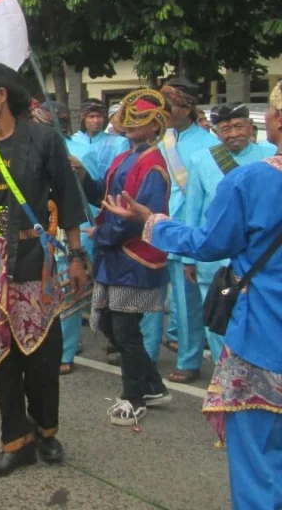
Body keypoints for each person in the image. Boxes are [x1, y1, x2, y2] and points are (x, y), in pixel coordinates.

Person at [102, 81, 282, 510]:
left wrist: (153, 221)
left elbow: (208, 243)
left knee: (258, 461)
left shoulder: (254, 179)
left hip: (264, 337)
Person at [0, 63, 88, 478]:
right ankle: (16, 441)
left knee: (43, 358)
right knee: (0, 356)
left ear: (0, 95)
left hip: (34, 262)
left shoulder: (43, 139)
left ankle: (47, 431)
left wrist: (78, 256)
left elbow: (67, 198)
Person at [79, 89, 173, 425]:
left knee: (125, 330)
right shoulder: (122, 158)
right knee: (107, 323)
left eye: (141, 120)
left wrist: (103, 233)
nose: (132, 125)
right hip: (113, 255)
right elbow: (105, 198)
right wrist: (82, 177)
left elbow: (136, 216)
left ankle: (133, 397)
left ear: (156, 125)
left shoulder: (154, 164)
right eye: (128, 119)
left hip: (135, 256)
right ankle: (154, 385)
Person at [181, 103, 274, 364]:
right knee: (217, 318)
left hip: (256, 259)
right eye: (225, 129)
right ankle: (223, 379)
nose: (232, 133)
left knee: (255, 322)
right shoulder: (201, 159)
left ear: (250, 127)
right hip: (213, 257)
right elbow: (194, 208)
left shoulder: (269, 155)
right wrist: (189, 258)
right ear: (216, 132)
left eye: (238, 126)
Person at [31, 100, 101, 376]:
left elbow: (93, 193)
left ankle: (67, 351)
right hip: (38, 228)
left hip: (70, 229)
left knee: (68, 292)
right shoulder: (29, 147)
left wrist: (80, 173)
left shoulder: (84, 151)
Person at [158, 78, 219, 383]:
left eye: (169, 104)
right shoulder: (162, 140)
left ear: (187, 106)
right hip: (165, 232)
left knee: (203, 305)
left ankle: (208, 363)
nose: (164, 110)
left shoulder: (213, 145)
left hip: (197, 236)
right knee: (179, 306)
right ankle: (187, 357)